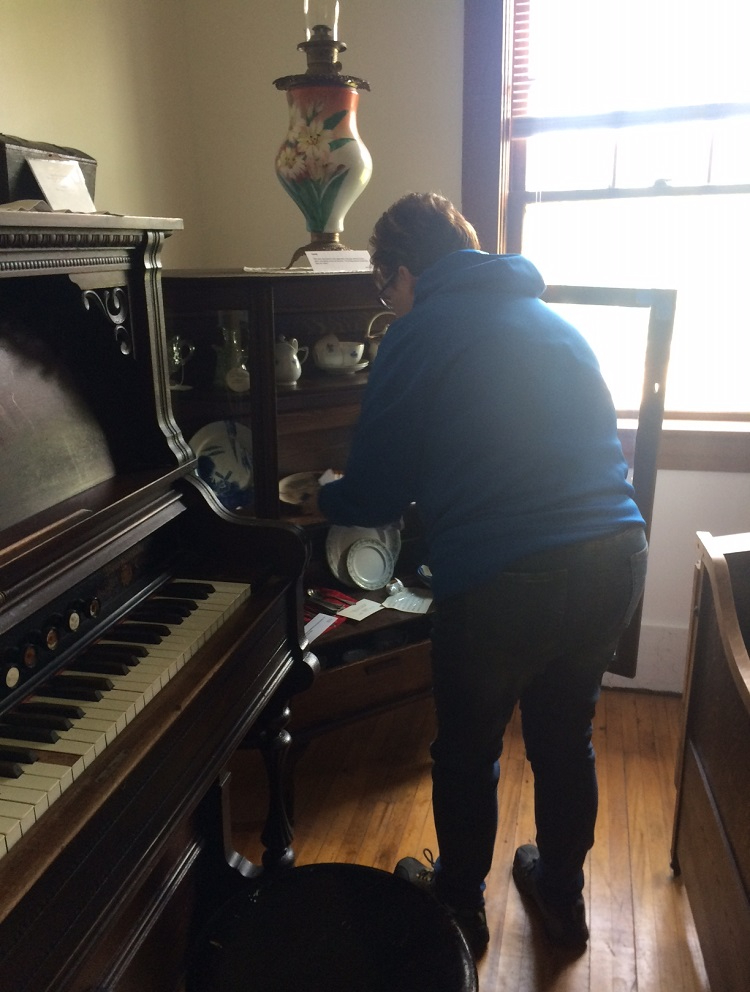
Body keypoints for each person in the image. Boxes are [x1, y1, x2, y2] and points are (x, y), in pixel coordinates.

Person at [315, 192, 648, 956]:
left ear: (401, 274)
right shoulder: (554, 323)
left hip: (505, 578)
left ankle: (459, 909)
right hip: (614, 554)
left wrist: (317, 490)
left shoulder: (418, 331)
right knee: (566, 738)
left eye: (382, 286)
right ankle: (561, 898)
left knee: (467, 750)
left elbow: (372, 493)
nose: (387, 301)